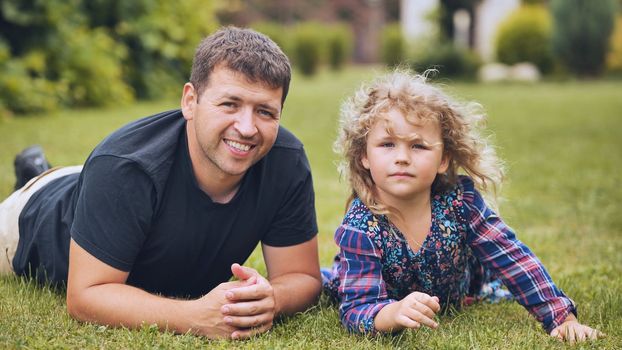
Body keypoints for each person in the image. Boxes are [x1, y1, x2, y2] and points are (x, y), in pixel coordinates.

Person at [0, 27, 321, 340]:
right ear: (190, 101)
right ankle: (34, 176)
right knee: (88, 182)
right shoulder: (125, 168)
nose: (248, 128)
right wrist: (195, 317)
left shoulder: (285, 161)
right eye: (230, 104)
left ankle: (38, 168)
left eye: (265, 111)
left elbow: (302, 277)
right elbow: (86, 296)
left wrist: (272, 299)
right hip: (33, 215)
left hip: (106, 185)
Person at [321, 70, 604, 343]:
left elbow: (511, 256)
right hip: (372, 289)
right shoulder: (360, 226)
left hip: (465, 286)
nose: (402, 158)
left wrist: (562, 318)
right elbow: (357, 307)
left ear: (443, 158)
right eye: (387, 144)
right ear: (364, 157)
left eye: (418, 146)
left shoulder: (461, 202)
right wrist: (392, 313)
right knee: (331, 282)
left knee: (495, 268)